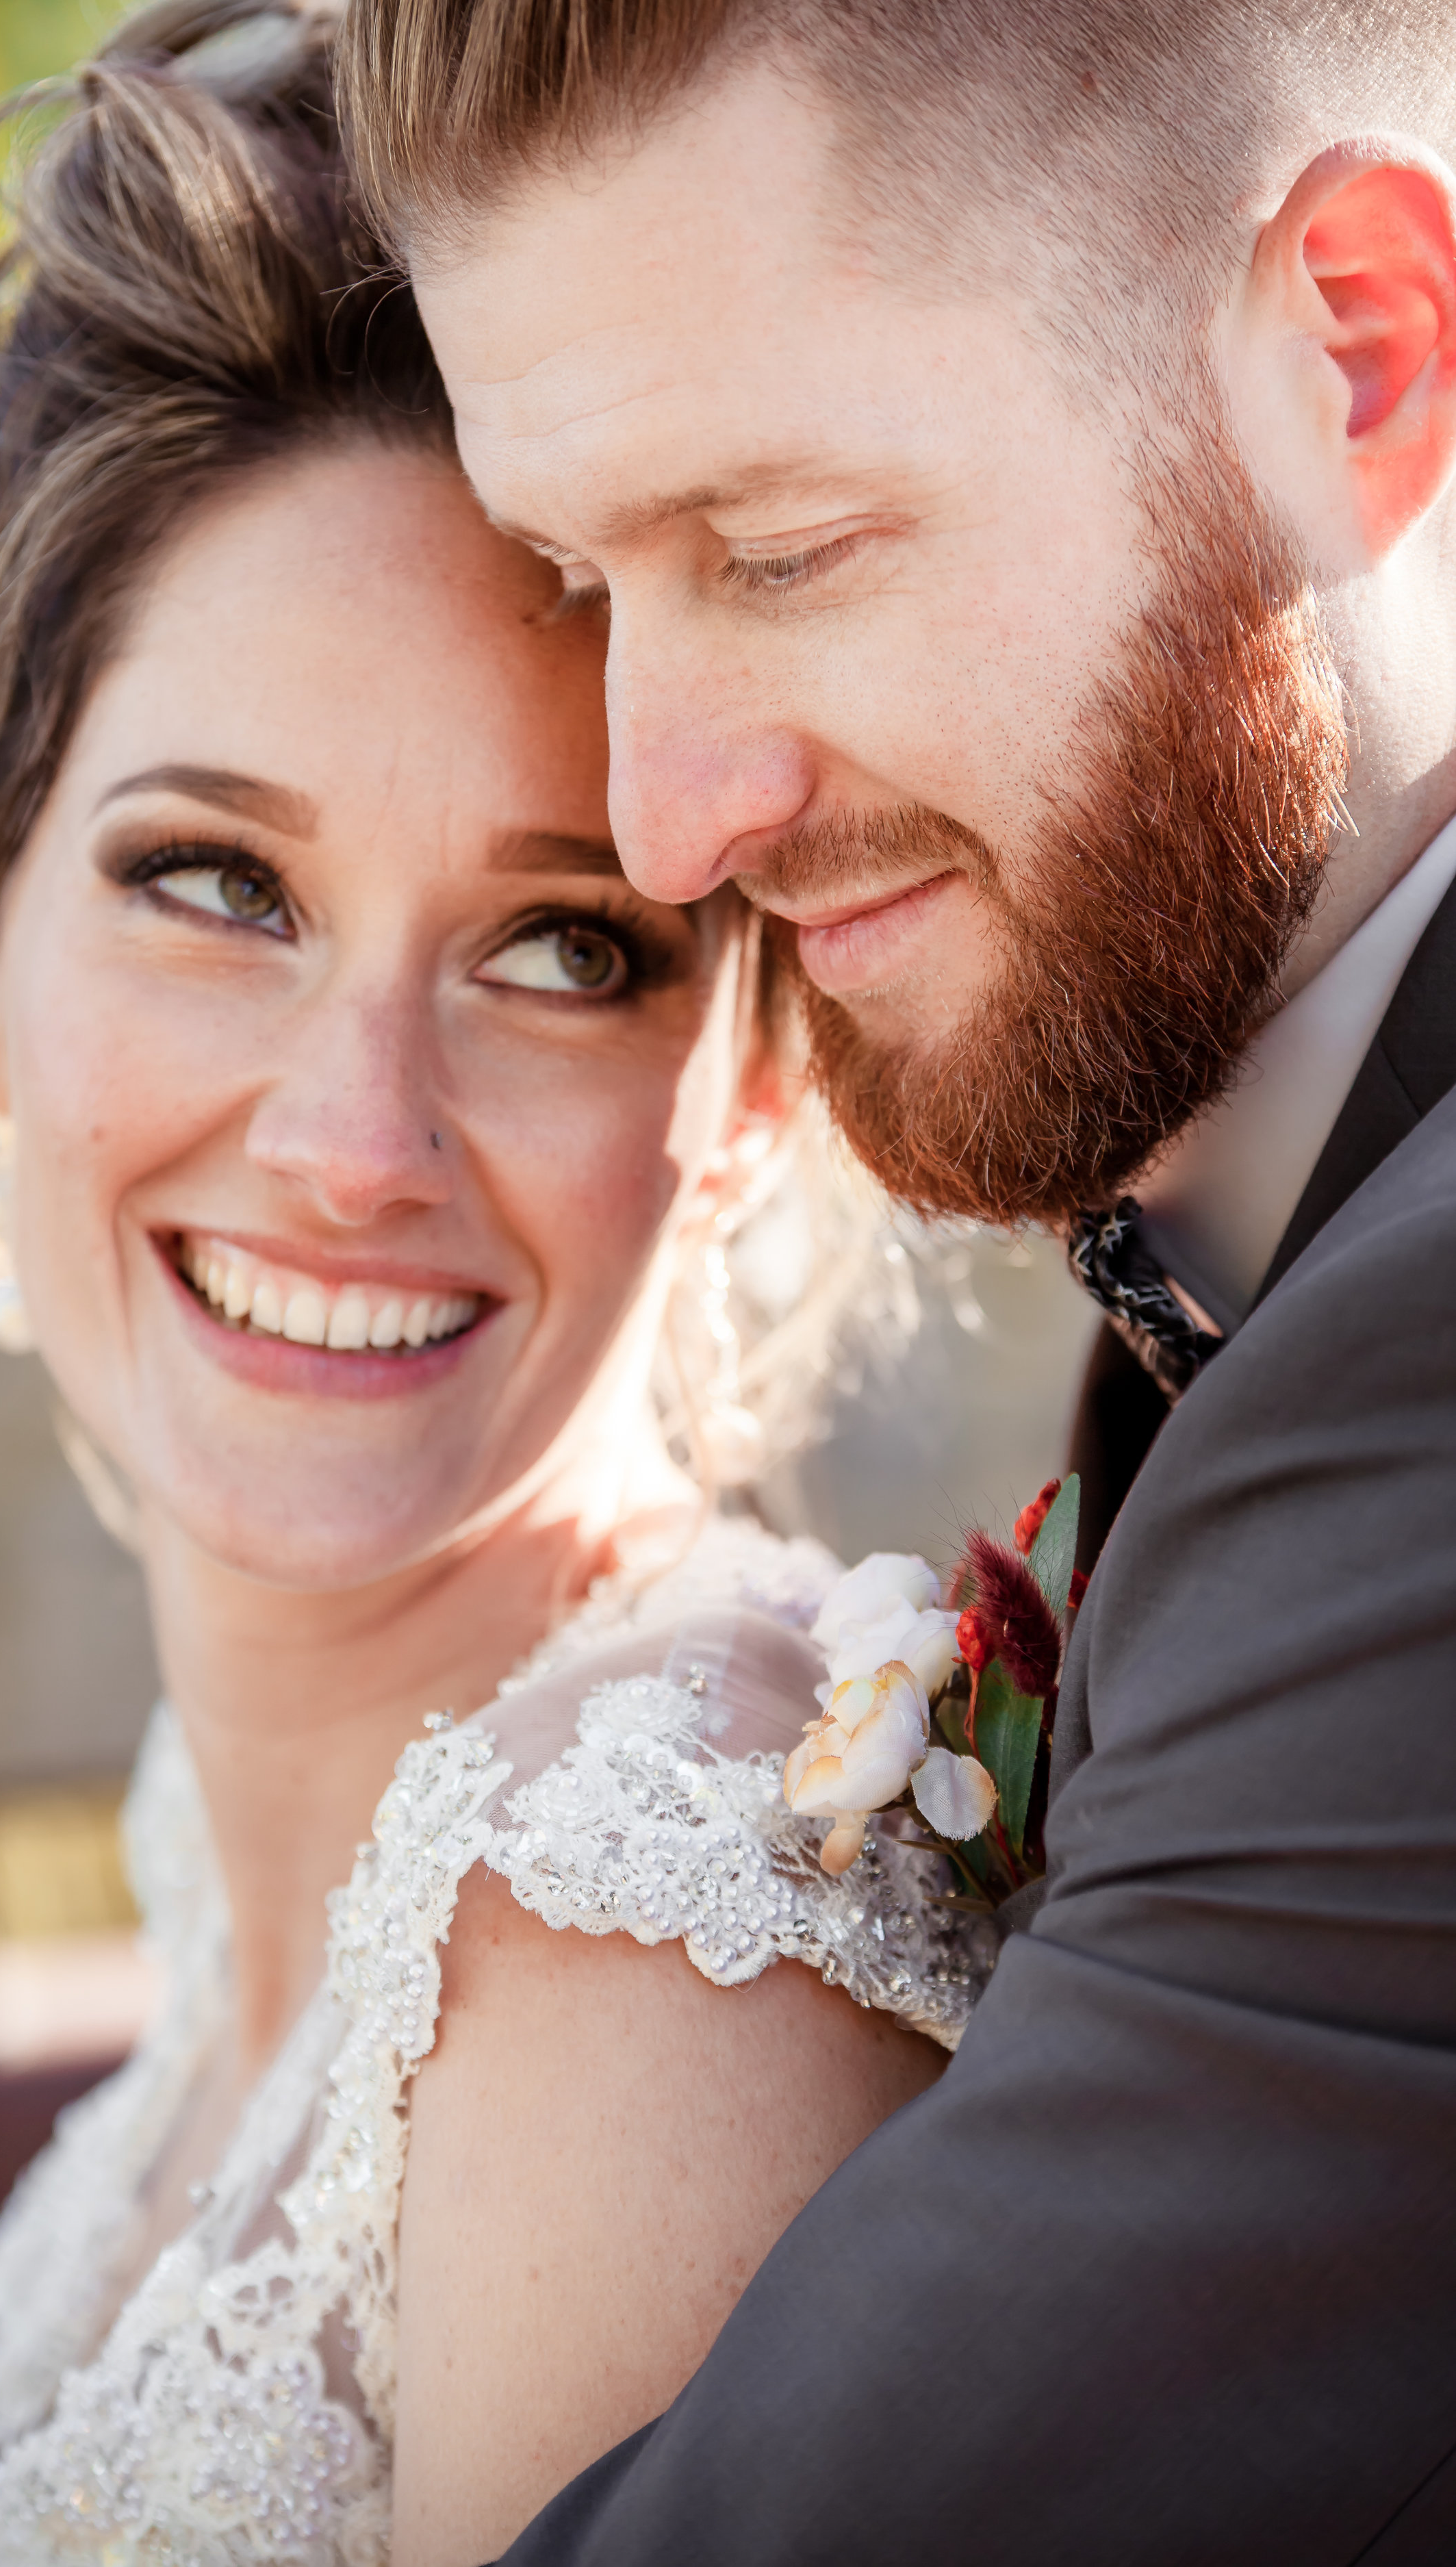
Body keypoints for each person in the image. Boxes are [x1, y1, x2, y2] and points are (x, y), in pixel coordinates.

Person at [0, 11, 988, 2563]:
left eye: (567, 948)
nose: (354, 1145)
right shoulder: (248, 1871)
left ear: (762, 1067)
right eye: (215, 884)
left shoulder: (633, 1919)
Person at [337, 1, 1456, 2559]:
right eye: (577, 579)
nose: (662, 820)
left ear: (1360, 359)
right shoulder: (1259, 1214)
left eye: (783, 550)